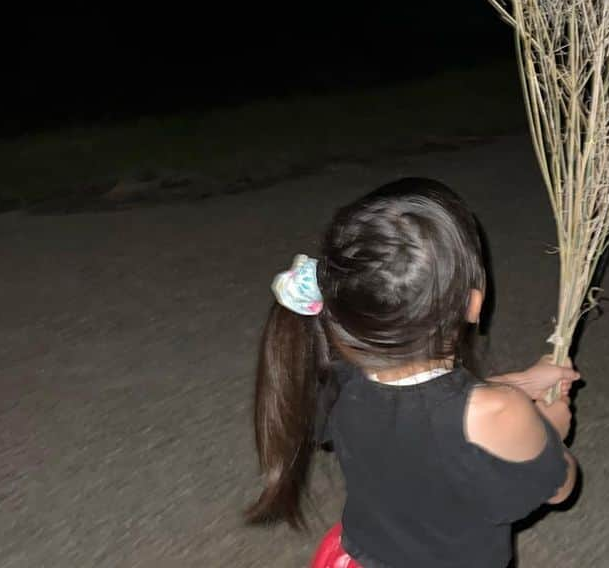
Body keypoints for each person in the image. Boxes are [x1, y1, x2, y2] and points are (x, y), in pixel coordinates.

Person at [246, 177, 580, 568]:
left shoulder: (337, 376)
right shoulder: (500, 412)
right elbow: (558, 487)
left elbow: (428, 409)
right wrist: (550, 429)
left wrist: (521, 383)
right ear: (474, 304)